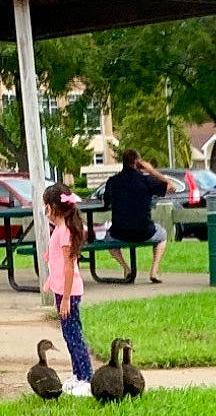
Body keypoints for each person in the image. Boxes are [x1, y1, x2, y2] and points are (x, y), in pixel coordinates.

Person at [44, 184, 93, 395]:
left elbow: (68, 267)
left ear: (54, 207)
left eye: (47, 206)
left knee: (74, 335)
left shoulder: (64, 233)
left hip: (69, 293)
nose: (45, 211)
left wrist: (64, 298)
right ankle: (77, 373)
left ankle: (87, 377)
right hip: (62, 291)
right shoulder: (60, 231)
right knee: (68, 334)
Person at [99, 149, 169, 284]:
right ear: (138, 162)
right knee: (163, 235)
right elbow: (167, 185)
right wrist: (151, 169)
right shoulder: (146, 180)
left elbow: (105, 203)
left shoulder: (112, 181)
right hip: (145, 231)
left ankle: (126, 268)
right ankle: (154, 270)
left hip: (119, 233)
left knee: (107, 240)